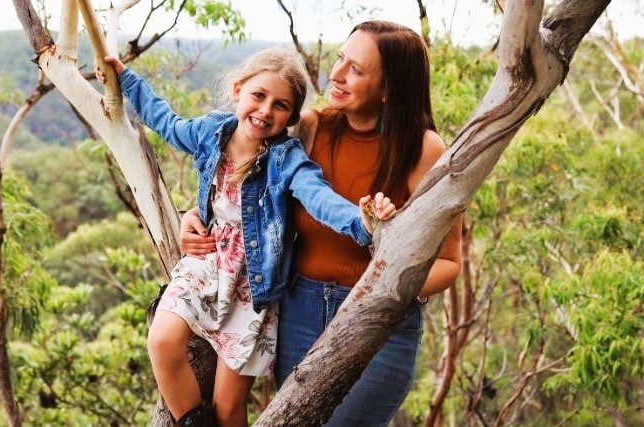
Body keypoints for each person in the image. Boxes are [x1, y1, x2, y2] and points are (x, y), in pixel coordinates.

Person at [179, 21, 463, 426]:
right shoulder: (312, 127)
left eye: (356, 70)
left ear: (389, 89)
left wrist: (378, 292)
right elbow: (242, 185)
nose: (336, 74)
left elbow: (449, 263)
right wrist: (191, 217)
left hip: (377, 322)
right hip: (299, 311)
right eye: (339, 59)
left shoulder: (423, 148)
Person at [99, 48, 397, 427]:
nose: (265, 110)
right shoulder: (210, 132)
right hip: (205, 265)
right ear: (238, 90)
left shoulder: (285, 160)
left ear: (291, 117)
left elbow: (319, 198)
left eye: (280, 105)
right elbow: (166, 122)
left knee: (227, 409)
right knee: (161, 341)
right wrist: (126, 79)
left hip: (252, 286)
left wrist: (362, 220)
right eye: (259, 96)